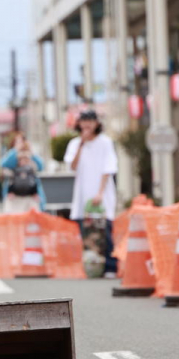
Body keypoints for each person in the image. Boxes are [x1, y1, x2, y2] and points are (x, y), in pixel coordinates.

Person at [63, 109, 119, 275]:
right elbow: (72, 166)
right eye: (84, 121)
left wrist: (100, 192)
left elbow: (108, 167)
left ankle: (110, 266)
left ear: (97, 123)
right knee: (86, 233)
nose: (87, 124)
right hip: (83, 194)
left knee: (105, 230)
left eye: (90, 121)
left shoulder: (105, 142)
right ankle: (93, 268)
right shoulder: (75, 143)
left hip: (102, 194)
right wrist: (81, 143)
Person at [1, 138, 46, 214]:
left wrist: (31, 152)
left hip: (31, 196)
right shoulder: (13, 157)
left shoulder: (31, 156)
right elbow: (4, 164)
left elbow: (41, 166)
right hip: (15, 197)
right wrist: (15, 150)